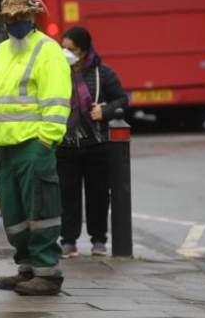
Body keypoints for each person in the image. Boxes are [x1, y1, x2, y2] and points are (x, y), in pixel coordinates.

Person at [0, 0, 71, 296]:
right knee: (15, 218)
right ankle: (27, 269)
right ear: (4, 22)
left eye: (21, 17)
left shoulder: (48, 49)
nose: (16, 23)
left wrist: (46, 139)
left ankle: (48, 274)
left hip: (34, 145)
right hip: (3, 149)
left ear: (32, 17)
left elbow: (56, 99)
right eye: (10, 19)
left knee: (41, 212)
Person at [57, 27, 128, 258]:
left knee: (98, 194)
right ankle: (68, 241)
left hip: (96, 145)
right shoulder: (56, 71)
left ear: (84, 50)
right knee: (68, 195)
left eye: (72, 49)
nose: (66, 53)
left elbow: (122, 99)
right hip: (66, 146)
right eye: (63, 48)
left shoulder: (103, 72)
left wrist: (105, 110)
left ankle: (98, 240)